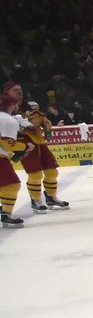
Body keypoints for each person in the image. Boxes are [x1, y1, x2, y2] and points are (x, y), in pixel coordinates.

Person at [3, 82, 70, 213]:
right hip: (24, 143)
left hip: (39, 141)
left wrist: (45, 121)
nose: (19, 91)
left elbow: (39, 116)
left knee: (52, 171)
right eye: (16, 90)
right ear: (7, 92)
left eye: (20, 89)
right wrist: (25, 125)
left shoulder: (28, 105)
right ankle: (36, 200)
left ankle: (51, 197)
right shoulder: (5, 106)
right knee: (35, 173)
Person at [0, 92, 29, 228]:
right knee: (12, 185)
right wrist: (25, 146)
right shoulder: (7, 120)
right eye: (16, 103)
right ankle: (6, 214)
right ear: (11, 105)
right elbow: (7, 143)